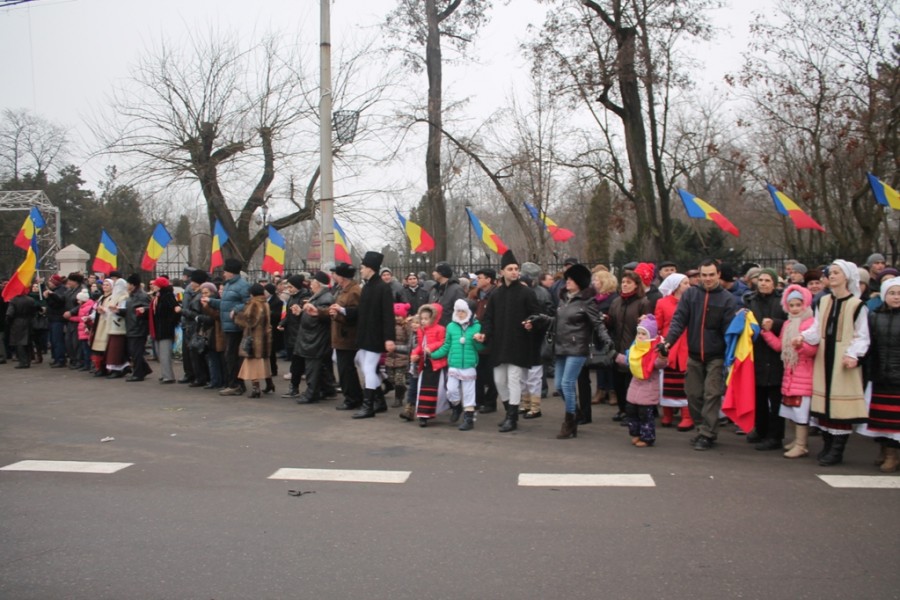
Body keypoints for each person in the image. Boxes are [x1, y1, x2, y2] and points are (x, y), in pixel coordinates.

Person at [663, 259, 739, 451]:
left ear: (718, 274)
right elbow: (679, 320)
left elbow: (730, 330)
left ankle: (707, 434)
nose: (707, 278)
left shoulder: (727, 299)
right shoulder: (690, 295)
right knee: (693, 394)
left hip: (716, 355)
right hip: (695, 354)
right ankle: (701, 427)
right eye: (703, 275)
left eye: (711, 274)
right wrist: (669, 341)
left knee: (712, 394)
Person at [527, 263, 608, 439]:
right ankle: (576, 411)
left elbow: (598, 324)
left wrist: (607, 341)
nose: (567, 282)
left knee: (567, 384)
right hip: (561, 347)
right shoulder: (564, 299)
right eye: (567, 279)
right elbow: (556, 321)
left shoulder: (587, 302)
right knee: (558, 386)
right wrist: (539, 319)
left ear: (579, 282)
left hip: (578, 348)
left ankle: (569, 422)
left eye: (571, 279)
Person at [805, 260, 870, 466]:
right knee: (824, 402)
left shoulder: (857, 305)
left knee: (840, 406)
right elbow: (816, 328)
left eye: (836, 273)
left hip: (843, 359)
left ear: (847, 277)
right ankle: (827, 443)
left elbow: (862, 336)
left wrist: (853, 355)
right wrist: (803, 338)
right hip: (824, 356)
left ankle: (837, 449)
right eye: (830, 272)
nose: (831, 276)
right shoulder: (823, 302)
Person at [475, 249, 541, 433]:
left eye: (516, 269)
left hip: (518, 344)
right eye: (510, 269)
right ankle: (508, 411)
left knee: (513, 380)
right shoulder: (496, 294)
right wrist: (484, 334)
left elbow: (538, 314)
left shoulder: (526, 293)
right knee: (499, 381)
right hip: (498, 345)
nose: (514, 272)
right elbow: (488, 318)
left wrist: (531, 323)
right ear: (502, 272)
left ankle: (512, 418)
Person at [760, 284, 819, 458]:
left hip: (803, 373)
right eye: (791, 305)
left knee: (801, 411)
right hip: (789, 372)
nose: (794, 309)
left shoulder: (811, 323)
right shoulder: (787, 323)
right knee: (791, 410)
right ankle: (797, 441)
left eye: (798, 305)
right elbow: (780, 346)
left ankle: (802, 444)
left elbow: (813, 350)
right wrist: (767, 333)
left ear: (806, 304)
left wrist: (800, 346)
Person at [859, 277, 900, 471]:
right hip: (879, 374)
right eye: (892, 293)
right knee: (882, 419)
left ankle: (893, 455)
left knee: (896, 420)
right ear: (884, 295)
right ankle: (885, 451)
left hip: (898, 376)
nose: (896, 297)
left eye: (899, 293)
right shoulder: (874, 316)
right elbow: (867, 345)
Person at [348, 251, 396, 419]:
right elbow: (361, 312)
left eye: (362, 267)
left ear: (370, 268)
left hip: (375, 336)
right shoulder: (367, 286)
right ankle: (379, 400)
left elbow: (388, 315)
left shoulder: (383, 288)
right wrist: (343, 311)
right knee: (361, 362)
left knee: (369, 368)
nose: (360, 270)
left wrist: (389, 338)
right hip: (365, 335)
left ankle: (368, 406)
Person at [745, 268, 787, 449]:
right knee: (759, 397)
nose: (763, 283)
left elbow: (791, 322)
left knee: (775, 400)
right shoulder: (750, 300)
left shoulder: (782, 302)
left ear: (775, 283)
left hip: (776, 355)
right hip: (757, 353)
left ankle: (775, 436)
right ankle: (760, 429)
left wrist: (775, 324)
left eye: (767, 280)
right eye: (760, 280)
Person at [430, 299, 484, 431]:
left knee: (469, 393)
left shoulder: (477, 326)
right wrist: (433, 355)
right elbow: (447, 345)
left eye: (463, 311)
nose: (460, 314)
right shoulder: (451, 326)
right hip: (454, 363)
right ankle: (456, 406)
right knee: (451, 390)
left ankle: (468, 418)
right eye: (458, 311)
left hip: (469, 364)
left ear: (469, 313)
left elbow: (480, 348)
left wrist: (478, 340)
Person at [616, 315, 667, 447]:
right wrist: (615, 356)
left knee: (645, 414)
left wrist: (663, 356)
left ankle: (647, 437)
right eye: (639, 333)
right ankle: (636, 434)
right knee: (631, 411)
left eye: (644, 334)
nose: (640, 336)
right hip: (635, 386)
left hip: (648, 387)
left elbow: (659, 364)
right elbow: (629, 360)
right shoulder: (635, 348)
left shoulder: (654, 349)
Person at [607, 271, 651, 422]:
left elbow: (648, 327)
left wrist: (644, 322)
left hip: (634, 348)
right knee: (618, 381)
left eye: (628, 282)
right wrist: (606, 319)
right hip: (617, 346)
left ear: (636, 285)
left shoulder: (643, 302)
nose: (625, 285)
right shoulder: (616, 302)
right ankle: (622, 409)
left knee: (630, 383)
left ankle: (632, 413)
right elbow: (612, 323)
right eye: (623, 282)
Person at [205, 258, 251, 396]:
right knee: (230, 356)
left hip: (235, 325)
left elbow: (249, 303)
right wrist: (210, 301)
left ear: (231, 272)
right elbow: (224, 304)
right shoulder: (229, 285)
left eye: (225, 271)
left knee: (231, 356)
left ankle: (235, 384)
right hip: (227, 325)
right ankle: (236, 384)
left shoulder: (242, 285)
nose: (223, 274)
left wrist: (236, 309)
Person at [654, 273, 694, 431]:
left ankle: (687, 415)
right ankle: (668, 414)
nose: (689, 286)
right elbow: (658, 324)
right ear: (676, 285)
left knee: (685, 382)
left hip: (687, 345)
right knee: (667, 381)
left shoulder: (692, 302)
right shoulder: (662, 303)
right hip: (669, 345)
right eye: (685, 283)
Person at [322, 262, 363, 411]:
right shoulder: (344, 290)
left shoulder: (354, 291)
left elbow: (355, 315)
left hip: (347, 337)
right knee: (345, 369)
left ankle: (352, 398)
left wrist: (338, 314)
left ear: (341, 277)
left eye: (335, 274)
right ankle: (354, 396)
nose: (333, 276)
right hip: (341, 336)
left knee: (346, 370)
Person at [294, 272, 335, 404]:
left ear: (318, 284)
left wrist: (310, 311)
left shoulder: (325, 298)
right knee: (320, 366)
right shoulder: (317, 296)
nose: (310, 285)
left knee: (313, 367)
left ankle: (311, 393)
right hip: (312, 336)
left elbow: (322, 316)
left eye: (313, 282)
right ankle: (327, 389)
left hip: (316, 337)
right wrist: (301, 312)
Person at [409, 303, 447, 427]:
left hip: (436, 363)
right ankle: (423, 414)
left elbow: (443, 342)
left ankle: (428, 413)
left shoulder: (440, 329)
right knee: (423, 389)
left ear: (434, 317)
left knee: (434, 389)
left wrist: (431, 347)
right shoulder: (421, 330)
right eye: (422, 319)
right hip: (424, 363)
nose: (423, 321)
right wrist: (414, 353)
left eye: (426, 319)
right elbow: (420, 346)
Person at [233, 283, 272, 398]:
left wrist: (237, 316)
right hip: (264, 338)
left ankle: (256, 389)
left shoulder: (254, 304)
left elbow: (250, 321)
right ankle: (269, 384)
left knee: (253, 366)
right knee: (263, 364)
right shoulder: (265, 303)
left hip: (255, 339)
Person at [469, 267, 499, 414]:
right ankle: (478, 399)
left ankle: (490, 402)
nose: (477, 280)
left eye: (480, 277)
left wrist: (487, 333)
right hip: (476, 337)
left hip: (491, 338)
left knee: (490, 372)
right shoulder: (476, 295)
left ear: (488, 279)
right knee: (478, 371)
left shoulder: (496, 294)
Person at [280, 275, 311, 399]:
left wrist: (299, 311)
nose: (289, 289)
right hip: (292, 333)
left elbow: (305, 313)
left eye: (291, 287)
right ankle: (294, 387)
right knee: (296, 362)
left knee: (299, 364)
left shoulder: (304, 297)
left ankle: (296, 388)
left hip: (300, 334)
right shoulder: (292, 297)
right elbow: (288, 314)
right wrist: (283, 323)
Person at [181, 270, 211, 387]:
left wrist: (182, 311)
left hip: (194, 327)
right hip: (193, 326)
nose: (191, 284)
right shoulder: (196, 294)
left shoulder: (198, 296)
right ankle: (198, 376)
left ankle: (200, 377)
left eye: (193, 281)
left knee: (196, 353)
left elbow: (195, 314)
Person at [149, 276, 179, 384]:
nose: (153, 286)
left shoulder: (167, 296)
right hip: (159, 329)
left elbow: (176, 310)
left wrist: (170, 322)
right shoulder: (159, 296)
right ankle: (164, 374)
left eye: (155, 284)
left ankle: (168, 376)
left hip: (165, 329)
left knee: (165, 354)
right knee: (160, 353)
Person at [123, 274, 152, 382]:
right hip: (132, 326)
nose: (127, 285)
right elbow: (130, 311)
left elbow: (149, 308)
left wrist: (144, 309)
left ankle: (138, 373)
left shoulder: (142, 296)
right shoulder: (131, 296)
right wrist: (119, 311)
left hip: (139, 327)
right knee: (134, 351)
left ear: (133, 285)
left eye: (128, 283)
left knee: (136, 352)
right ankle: (144, 369)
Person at [385, 303, 412, 408]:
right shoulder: (389, 326)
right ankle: (402, 389)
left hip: (402, 358)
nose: (397, 318)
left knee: (399, 379)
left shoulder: (406, 327)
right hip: (390, 357)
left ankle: (398, 398)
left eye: (399, 316)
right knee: (391, 378)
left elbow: (409, 344)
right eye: (395, 316)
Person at [198, 282, 224, 389]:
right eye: (203, 293)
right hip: (210, 333)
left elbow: (215, 317)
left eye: (206, 292)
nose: (204, 295)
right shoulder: (204, 302)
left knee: (218, 359)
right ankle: (215, 380)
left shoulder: (215, 303)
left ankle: (219, 381)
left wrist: (202, 315)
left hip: (217, 333)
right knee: (212, 358)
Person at [104, 278, 130, 378]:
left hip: (119, 327)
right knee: (115, 349)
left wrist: (116, 310)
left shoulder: (124, 297)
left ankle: (117, 368)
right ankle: (121, 366)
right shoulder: (114, 297)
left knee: (116, 349)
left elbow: (124, 311)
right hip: (113, 326)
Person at [6, 287, 36, 368]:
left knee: (19, 343)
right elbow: (34, 311)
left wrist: (8, 322)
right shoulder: (31, 300)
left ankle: (23, 362)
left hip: (17, 323)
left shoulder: (14, 300)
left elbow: (10, 313)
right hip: (29, 322)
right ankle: (28, 360)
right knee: (28, 342)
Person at [429, 262, 466, 326]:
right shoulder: (434, 289)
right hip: (434, 328)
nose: (433, 273)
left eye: (435, 271)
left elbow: (461, 311)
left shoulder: (456, 289)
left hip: (449, 328)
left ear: (441, 273)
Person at [265, 283, 284, 383]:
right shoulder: (265, 301)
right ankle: (269, 369)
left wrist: (269, 312)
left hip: (273, 328)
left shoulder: (277, 301)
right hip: (267, 328)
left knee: (272, 351)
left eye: (266, 291)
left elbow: (278, 315)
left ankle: (274, 369)